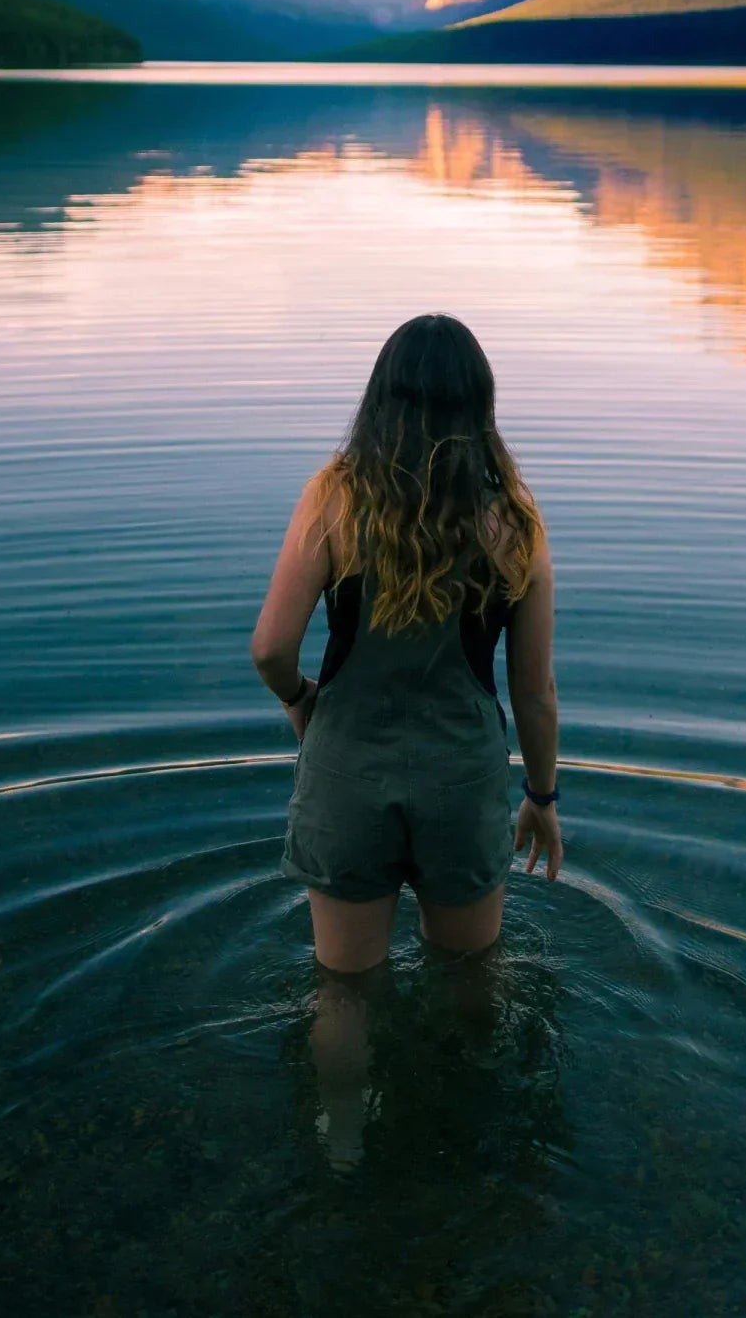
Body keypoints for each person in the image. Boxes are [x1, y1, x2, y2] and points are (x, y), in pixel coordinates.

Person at [251, 313, 563, 1169]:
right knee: (471, 979)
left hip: (346, 772)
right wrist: (541, 798)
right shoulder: (517, 521)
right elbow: (533, 693)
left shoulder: (335, 498)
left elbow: (270, 647)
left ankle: (344, 1137)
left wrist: (302, 703)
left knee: (345, 993)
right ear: (480, 406)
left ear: (380, 399)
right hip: (462, 783)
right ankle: (466, 1131)